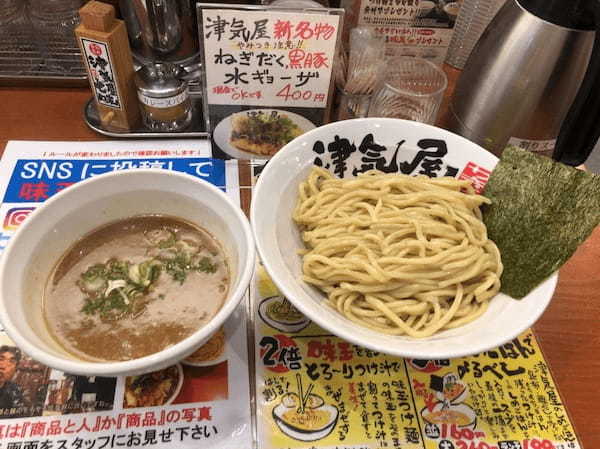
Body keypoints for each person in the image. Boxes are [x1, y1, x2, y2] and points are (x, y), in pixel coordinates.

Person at [0, 346, 26, 415]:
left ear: (15, 370)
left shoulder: (15, 391)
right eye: (1, 359)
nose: (2, 366)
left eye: (11, 362)